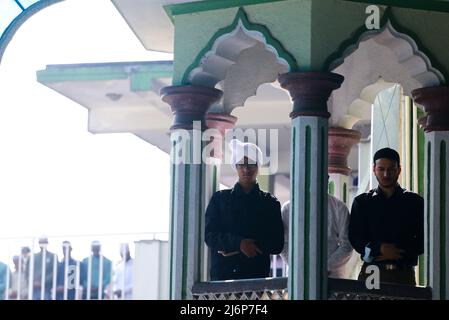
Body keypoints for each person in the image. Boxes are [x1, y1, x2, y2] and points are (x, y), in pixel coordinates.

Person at [205, 139, 284, 280]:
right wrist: (240, 244)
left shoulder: (270, 203)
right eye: (242, 164)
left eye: (251, 164)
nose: (246, 169)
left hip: (256, 279)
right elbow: (210, 236)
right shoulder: (220, 199)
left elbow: (277, 244)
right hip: (223, 280)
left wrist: (234, 247)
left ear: (258, 167)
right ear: (236, 167)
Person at [348, 147, 424, 286]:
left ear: (399, 170)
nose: (386, 174)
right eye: (381, 169)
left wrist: (398, 252)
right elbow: (355, 238)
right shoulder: (363, 202)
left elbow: (424, 239)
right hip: (372, 272)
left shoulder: (414, 202)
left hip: (404, 273)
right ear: (374, 169)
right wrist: (379, 249)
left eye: (391, 169)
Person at [280, 193, 354, 278]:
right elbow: (283, 245)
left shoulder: (339, 207)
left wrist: (325, 267)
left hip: (332, 281)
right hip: (298, 279)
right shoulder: (287, 209)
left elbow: (347, 245)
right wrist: (300, 267)